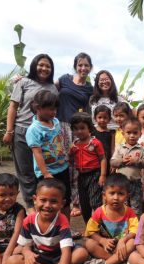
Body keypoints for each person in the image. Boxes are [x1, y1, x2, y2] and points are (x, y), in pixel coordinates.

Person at [6, 179, 89, 264]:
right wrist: (27, 252)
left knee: (81, 253)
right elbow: (26, 245)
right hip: (41, 257)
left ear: (62, 203)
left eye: (54, 201)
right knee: (11, 261)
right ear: (35, 199)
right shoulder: (28, 220)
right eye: (43, 200)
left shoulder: (62, 220)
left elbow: (66, 253)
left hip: (60, 257)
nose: (47, 205)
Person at [3, 54, 58, 213]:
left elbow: (55, 110)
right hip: (22, 130)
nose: (44, 68)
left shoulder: (53, 88)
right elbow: (13, 107)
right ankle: (31, 208)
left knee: (43, 171)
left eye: (48, 66)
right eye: (41, 65)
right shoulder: (23, 82)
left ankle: (44, 206)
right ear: (34, 66)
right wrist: (9, 131)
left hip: (44, 134)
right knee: (25, 172)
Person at [81, 173, 138, 264]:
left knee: (133, 242)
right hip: (105, 248)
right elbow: (90, 232)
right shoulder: (99, 212)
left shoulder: (129, 212)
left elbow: (135, 231)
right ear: (104, 195)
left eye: (121, 193)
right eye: (112, 193)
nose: (116, 197)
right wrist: (102, 241)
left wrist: (123, 240)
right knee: (89, 243)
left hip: (122, 248)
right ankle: (119, 263)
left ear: (127, 195)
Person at [56, 52, 94, 210]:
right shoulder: (64, 79)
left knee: (77, 163)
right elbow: (47, 88)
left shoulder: (89, 88)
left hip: (77, 129)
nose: (83, 68)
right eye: (80, 65)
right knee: (63, 162)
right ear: (75, 66)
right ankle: (63, 199)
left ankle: (76, 202)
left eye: (86, 65)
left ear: (90, 68)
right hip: (61, 126)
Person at [25, 90, 71, 218]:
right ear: (38, 108)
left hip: (62, 168)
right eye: (50, 109)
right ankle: (44, 228)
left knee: (65, 200)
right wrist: (45, 173)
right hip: (47, 172)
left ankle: (66, 227)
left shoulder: (55, 122)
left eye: (55, 109)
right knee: (46, 202)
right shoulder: (34, 130)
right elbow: (37, 153)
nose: (54, 112)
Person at [69, 112, 107, 224]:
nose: (79, 131)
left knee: (95, 202)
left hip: (94, 175)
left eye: (82, 128)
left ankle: (100, 226)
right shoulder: (74, 144)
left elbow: (103, 159)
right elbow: (71, 160)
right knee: (84, 203)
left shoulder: (95, 143)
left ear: (89, 128)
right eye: (76, 129)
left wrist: (102, 175)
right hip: (81, 176)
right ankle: (88, 227)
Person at [110, 118, 144, 216]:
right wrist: (122, 161)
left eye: (135, 133)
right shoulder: (120, 148)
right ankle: (123, 228)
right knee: (121, 207)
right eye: (128, 133)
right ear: (123, 134)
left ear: (140, 134)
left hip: (135, 183)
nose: (132, 135)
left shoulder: (141, 149)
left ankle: (136, 229)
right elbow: (112, 162)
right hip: (121, 184)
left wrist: (137, 161)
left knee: (136, 208)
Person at [92, 105, 115, 175]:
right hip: (95, 160)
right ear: (95, 118)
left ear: (109, 119)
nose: (102, 120)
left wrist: (112, 162)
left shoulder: (111, 133)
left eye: (105, 117)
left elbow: (112, 149)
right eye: (100, 117)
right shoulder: (92, 132)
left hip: (107, 159)